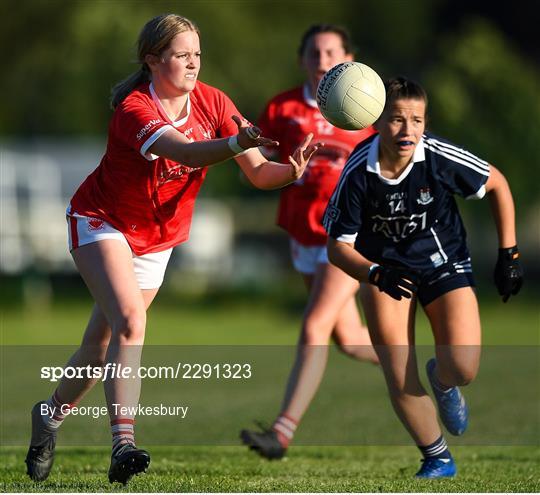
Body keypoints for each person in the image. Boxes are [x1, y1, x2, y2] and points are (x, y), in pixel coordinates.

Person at [24, 13, 322, 486]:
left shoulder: (214, 101)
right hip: (102, 222)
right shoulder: (135, 109)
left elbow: (260, 172)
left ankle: (49, 417)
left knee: (99, 349)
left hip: (158, 238)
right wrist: (233, 142)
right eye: (181, 55)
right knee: (132, 320)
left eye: (197, 55)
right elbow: (185, 152)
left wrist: (291, 170)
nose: (193, 64)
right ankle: (124, 443)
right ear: (152, 60)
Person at [324, 76, 523, 478]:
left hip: (443, 261)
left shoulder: (437, 156)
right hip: (386, 273)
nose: (408, 129)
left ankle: (444, 382)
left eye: (417, 120)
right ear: (376, 122)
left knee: (463, 367)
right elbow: (336, 248)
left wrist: (510, 254)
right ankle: (437, 457)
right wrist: (374, 272)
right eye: (397, 119)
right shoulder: (358, 172)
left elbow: (498, 184)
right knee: (399, 374)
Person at [240, 24, 378, 460]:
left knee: (314, 325)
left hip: (349, 234)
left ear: (349, 59)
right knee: (350, 340)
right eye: (315, 53)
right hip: (303, 232)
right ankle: (435, 371)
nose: (323, 61)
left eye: (332, 53)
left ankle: (281, 432)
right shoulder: (282, 107)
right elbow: (257, 158)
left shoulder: (365, 107)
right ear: (302, 60)